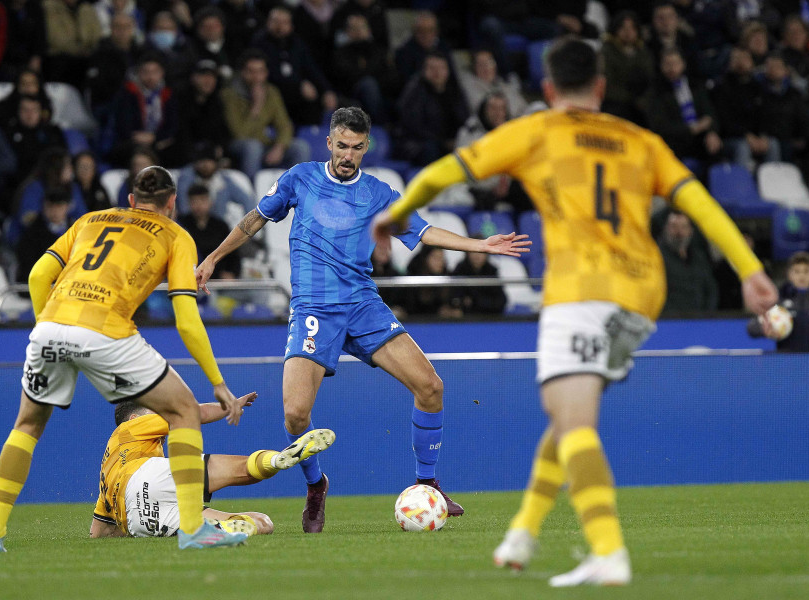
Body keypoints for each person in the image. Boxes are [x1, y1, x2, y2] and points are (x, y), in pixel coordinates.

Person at [372, 37, 778, 586]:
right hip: (643, 292)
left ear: (546, 89)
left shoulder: (537, 131)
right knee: (570, 410)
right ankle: (523, 530)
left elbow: (444, 172)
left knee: (574, 418)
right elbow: (701, 202)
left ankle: (607, 550)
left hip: (582, 289)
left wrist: (392, 214)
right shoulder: (640, 140)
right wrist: (750, 269)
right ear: (602, 87)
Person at [195, 107, 531, 533]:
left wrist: (480, 245)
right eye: (341, 146)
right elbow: (254, 220)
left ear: (365, 147)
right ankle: (316, 486)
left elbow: (423, 232)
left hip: (362, 305)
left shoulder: (378, 193)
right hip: (314, 309)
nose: (347, 155)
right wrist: (211, 259)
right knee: (296, 415)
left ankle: (428, 484)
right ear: (329, 143)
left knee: (430, 387)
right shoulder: (301, 177)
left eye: (356, 147)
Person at [0, 165, 254, 553]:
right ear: (172, 203)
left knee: (27, 424)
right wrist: (218, 382)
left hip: (50, 327)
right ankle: (193, 530)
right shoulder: (176, 235)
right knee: (184, 412)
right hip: (107, 330)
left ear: (130, 200)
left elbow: (39, 276)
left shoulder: (89, 220)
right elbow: (187, 320)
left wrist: (48, 330)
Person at [90, 399, 335, 539]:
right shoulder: (130, 429)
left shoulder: (108, 470)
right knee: (242, 468)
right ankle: (277, 460)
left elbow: (99, 532)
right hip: (149, 476)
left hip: (143, 522)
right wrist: (229, 406)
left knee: (262, 523)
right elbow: (189, 413)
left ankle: (227, 528)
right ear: (135, 418)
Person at [222, 50, 311, 181]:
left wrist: (280, 146)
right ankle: (252, 193)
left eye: (260, 71)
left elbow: (284, 125)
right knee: (253, 147)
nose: (256, 76)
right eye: (251, 71)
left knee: (300, 147)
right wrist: (256, 106)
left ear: (266, 73)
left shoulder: (271, 92)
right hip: (237, 146)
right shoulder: (229, 94)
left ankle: (297, 194)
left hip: (264, 143)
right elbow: (239, 133)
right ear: (242, 72)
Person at [748, 251, 809, 352]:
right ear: (789, 274)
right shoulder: (779, 301)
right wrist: (765, 329)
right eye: (796, 271)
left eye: (806, 271)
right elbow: (752, 328)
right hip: (787, 362)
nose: (802, 276)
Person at [658, 211, 718, 314]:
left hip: (701, 320)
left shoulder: (699, 258)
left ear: (691, 231)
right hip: (670, 321)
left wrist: (708, 315)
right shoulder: (657, 257)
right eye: (674, 226)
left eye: (683, 227)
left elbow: (711, 289)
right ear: (666, 229)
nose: (679, 232)